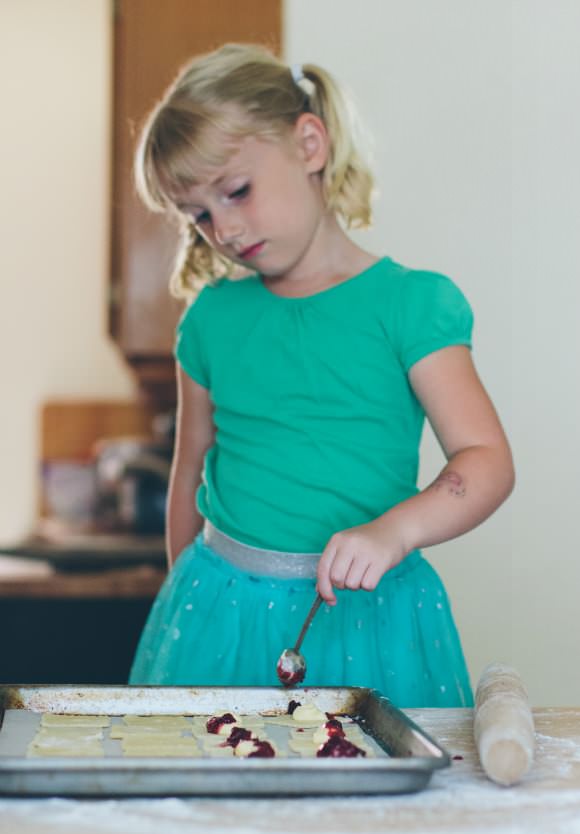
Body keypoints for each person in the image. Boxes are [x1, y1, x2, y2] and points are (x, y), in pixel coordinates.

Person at [128, 43, 514, 706]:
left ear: (310, 144)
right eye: (198, 214)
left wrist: (395, 531)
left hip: (368, 615)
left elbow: (487, 461)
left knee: (362, 801)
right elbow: (190, 471)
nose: (221, 228)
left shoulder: (410, 303)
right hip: (218, 608)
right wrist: (187, 602)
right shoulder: (211, 319)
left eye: (236, 191)